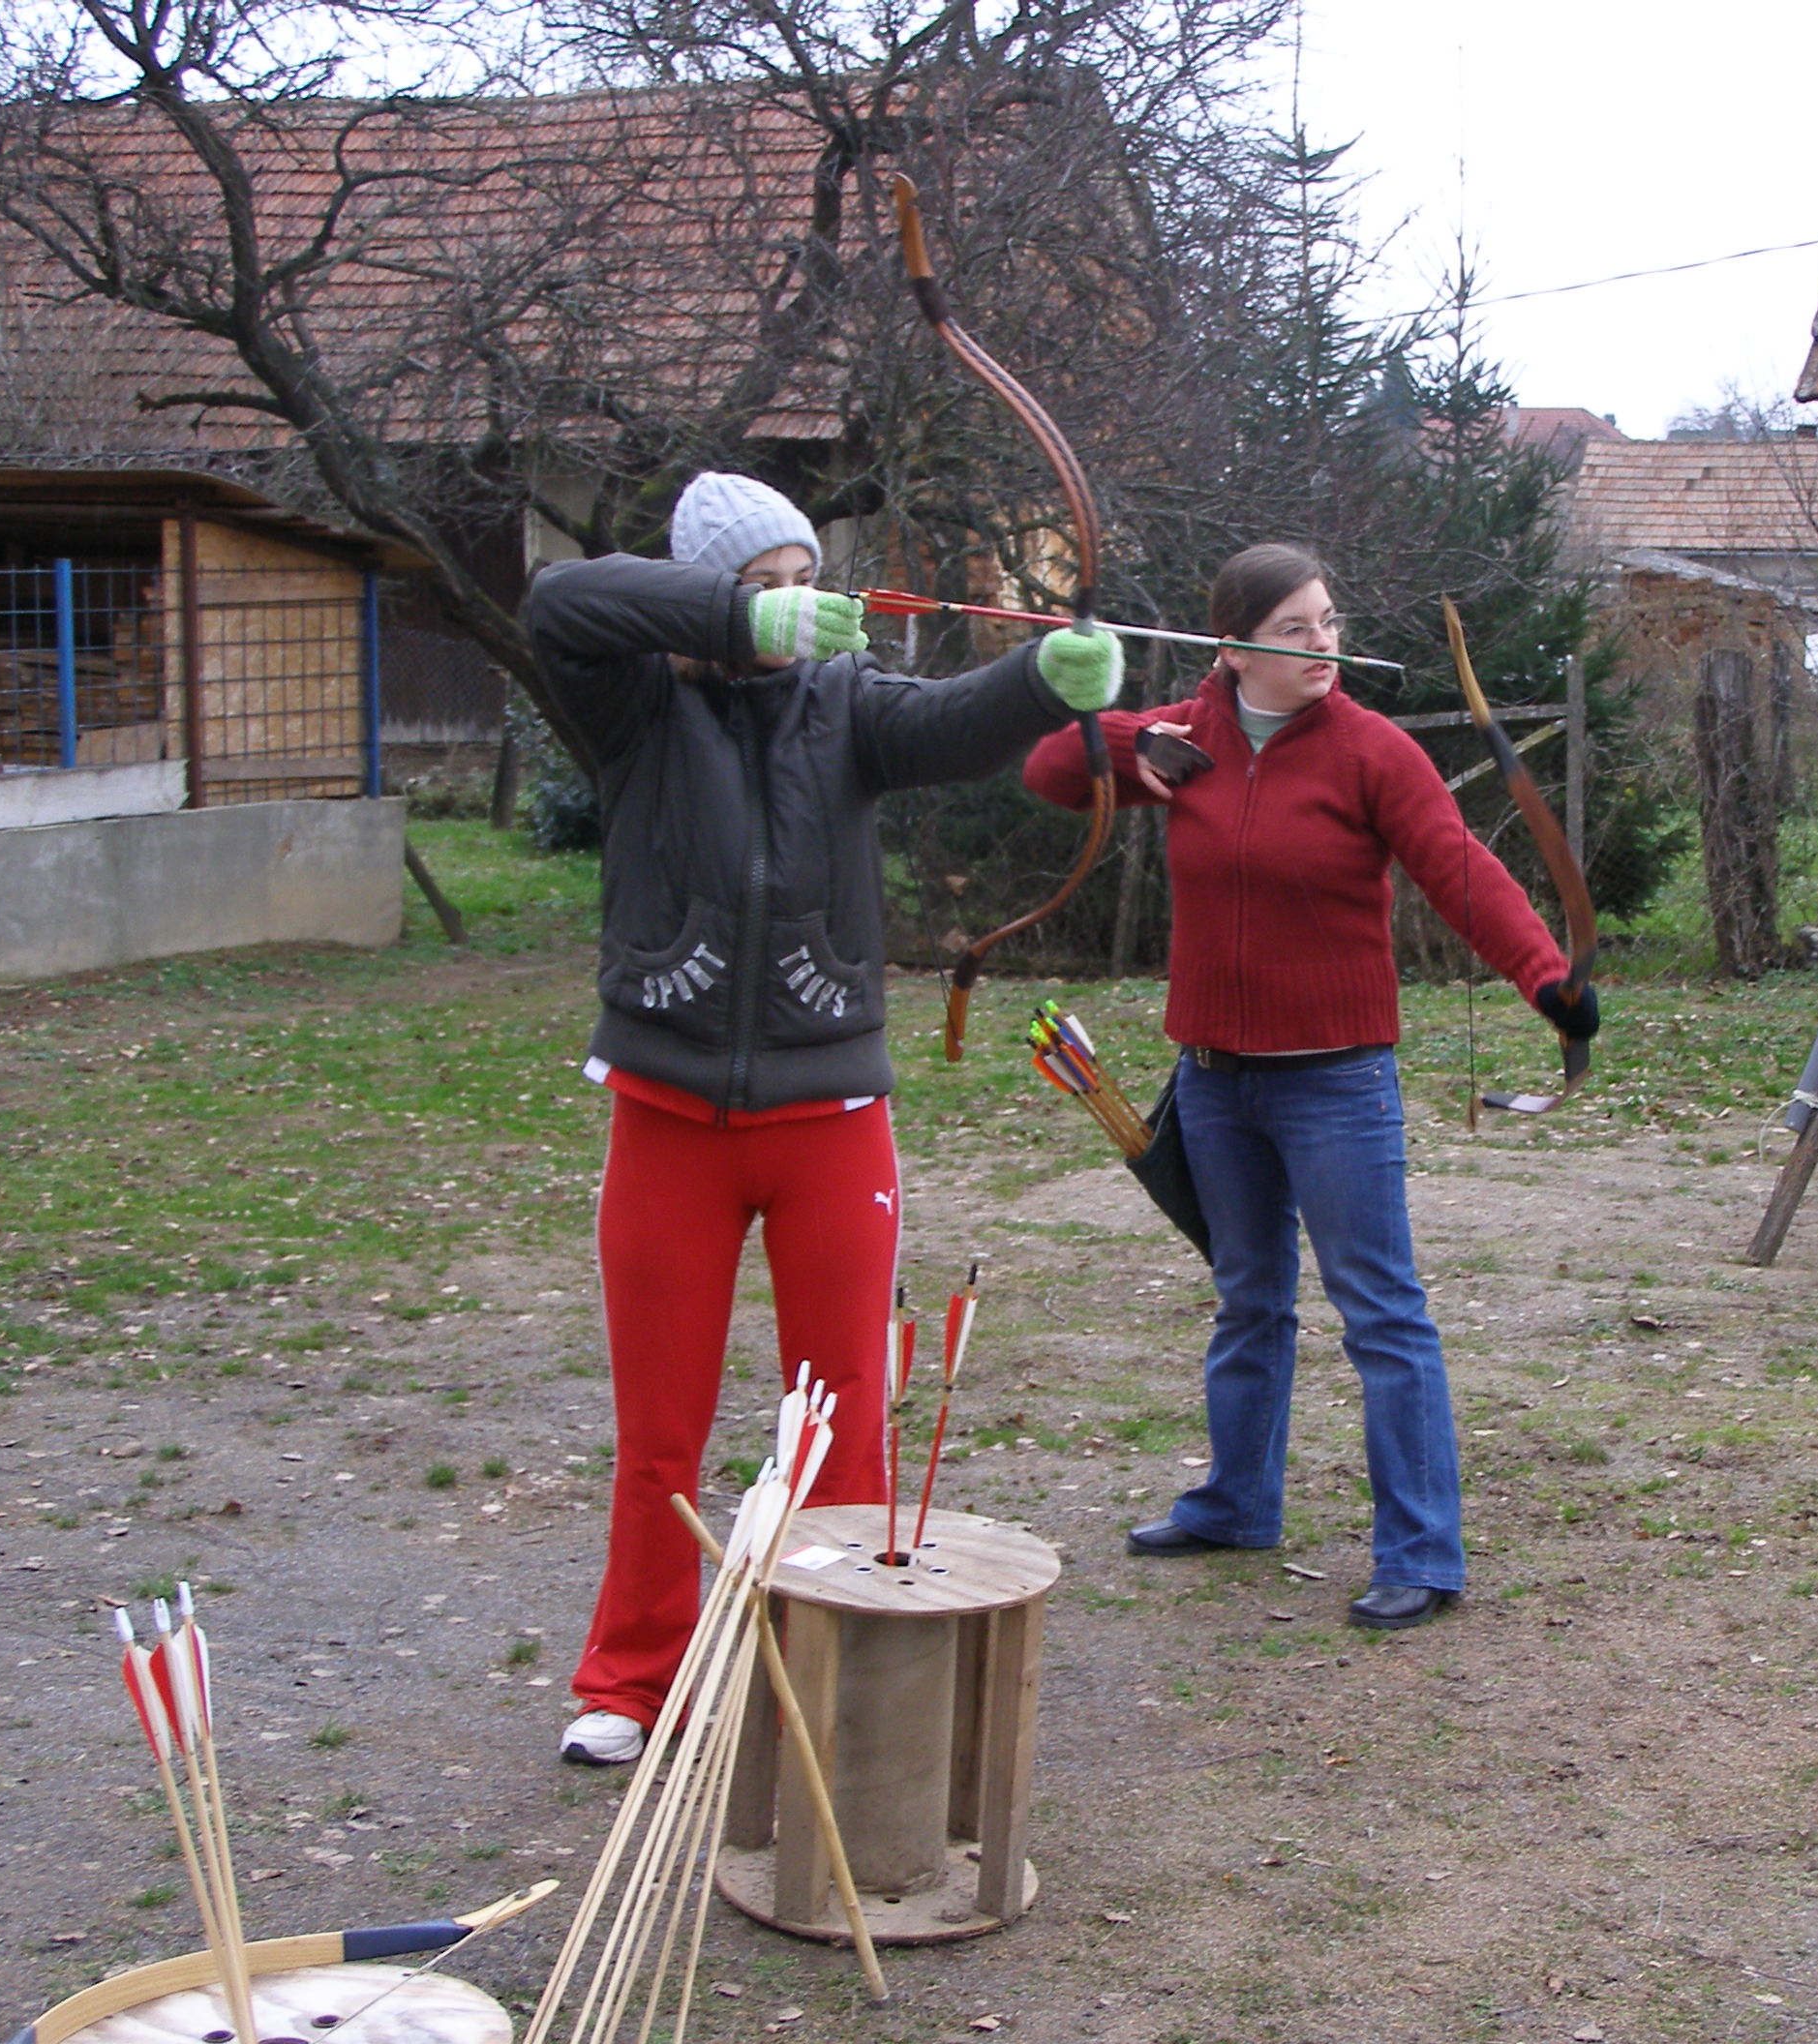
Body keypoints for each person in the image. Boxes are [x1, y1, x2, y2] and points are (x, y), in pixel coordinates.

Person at [524, 471, 1123, 1761]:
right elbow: (560, 601)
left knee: (843, 1409)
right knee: (660, 1428)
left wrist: (1045, 682)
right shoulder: (633, 704)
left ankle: (833, 1674)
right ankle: (632, 1681)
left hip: (829, 1112)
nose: (800, 609)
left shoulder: (843, 703)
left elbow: (954, 723)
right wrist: (732, 625)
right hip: (667, 1110)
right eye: (768, 590)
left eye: (807, 583)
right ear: (712, 596)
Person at [1022, 544, 1596, 1630]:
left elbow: (1460, 870)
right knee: (1248, 1298)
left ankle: (1421, 1551)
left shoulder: (1369, 750)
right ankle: (1237, 1504)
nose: (1323, 644)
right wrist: (1134, 742)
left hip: (1335, 1080)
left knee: (1379, 1310)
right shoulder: (1187, 736)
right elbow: (1051, 769)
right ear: (1232, 648)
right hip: (1212, 1078)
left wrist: (1544, 978)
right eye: (1294, 629)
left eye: (1329, 622)